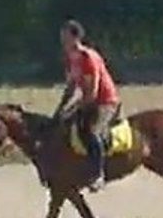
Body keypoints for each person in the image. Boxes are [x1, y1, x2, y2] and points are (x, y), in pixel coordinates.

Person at [51, 19, 120, 192]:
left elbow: (92, 93)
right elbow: (71, 87)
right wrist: (60, 111)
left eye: (66, 37)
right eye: (62, 37)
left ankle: (98, 175)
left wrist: (73, 108)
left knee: (92, 132)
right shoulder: (69, 60)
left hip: (105, 102)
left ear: (76, 38)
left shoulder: (88, 57)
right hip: (88, 102)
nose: (63, 41)